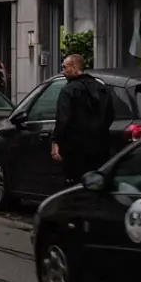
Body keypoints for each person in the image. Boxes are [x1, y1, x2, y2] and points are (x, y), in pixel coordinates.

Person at [52, 54, 115, 185]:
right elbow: (110, 115)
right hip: (100, 147)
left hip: (75, 149)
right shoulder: (103, 88)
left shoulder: (68, 90)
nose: (62, 71)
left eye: (64, 67)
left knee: (75, 185)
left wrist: (56, 140)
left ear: (74, 68)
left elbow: (63, 119)